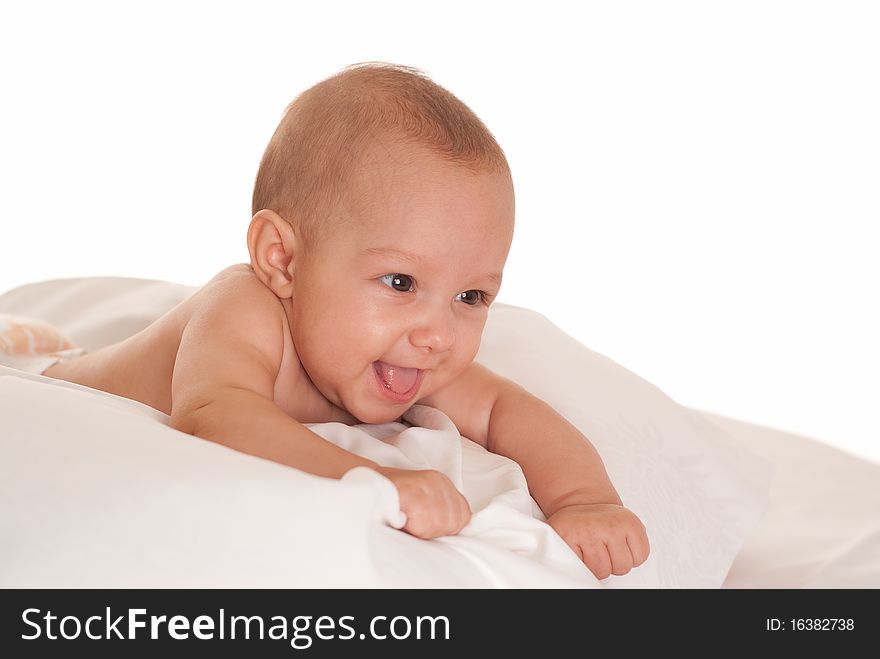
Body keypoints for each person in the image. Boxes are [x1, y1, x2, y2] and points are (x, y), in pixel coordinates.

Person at [41, 63, 649, 580]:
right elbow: (215, 413)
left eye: (470, 296)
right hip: (54, 374)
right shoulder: (246, 309)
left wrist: (585, 501)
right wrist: (376, 477)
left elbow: (507, 413)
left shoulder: (410, 349)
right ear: (283, 260)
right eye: (400, 283)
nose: (439, 334)